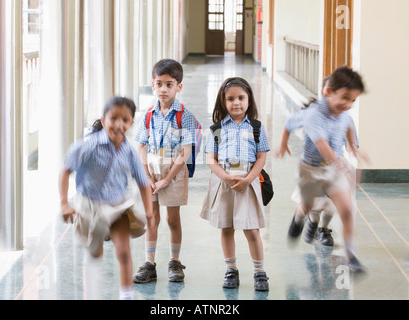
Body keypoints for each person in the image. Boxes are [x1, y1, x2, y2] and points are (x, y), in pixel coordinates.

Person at [58, 96, 153, 300]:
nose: (119, 124)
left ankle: (126, 296)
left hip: (118, 205)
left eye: (125, 120)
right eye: (114, 118)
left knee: (124, 252)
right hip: (89, 205)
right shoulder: (88, 146)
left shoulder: (129, 151)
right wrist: (64, 203)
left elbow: (144, 183)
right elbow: (65, 171)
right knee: (95, 255)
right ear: (104, 120)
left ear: (131, 123)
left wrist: (150, 212)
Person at [280, 66, 366, 272]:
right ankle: (299, 217)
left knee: (346, 210)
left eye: (353, 100)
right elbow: (317, 142)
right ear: (329, 92)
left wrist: (353, 147)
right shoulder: (313, 115)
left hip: (333, 170)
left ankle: (351, 255)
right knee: (308, 206)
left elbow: (349, 126)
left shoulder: (344, 114)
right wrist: (283, 144)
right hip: (311, 169)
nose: (349, 104)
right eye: (345, 98)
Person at [200, 77, 270, 291]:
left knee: (252, 229)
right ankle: (231, 269)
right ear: (223, 101)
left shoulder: (257, 127)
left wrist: (248, 179)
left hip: (248, 182)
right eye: (230, 99)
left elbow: (261, 158)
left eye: (241, 98)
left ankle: (260, 272)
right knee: (227, 227)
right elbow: (211, 159)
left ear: (249, 100)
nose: (236, 103)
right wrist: (226, 177)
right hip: (225, 182)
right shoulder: (216, 129)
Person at [133, 59, 198, 283]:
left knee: (172, 219)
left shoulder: (185, 116)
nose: (163, 89)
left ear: (179, 86)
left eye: (169, 84)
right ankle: (149, 263)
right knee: (152, 219)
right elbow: (141, 146)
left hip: (174, 171)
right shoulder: (149, 114)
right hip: (150, 170)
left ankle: (175, 261)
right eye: (159, 84)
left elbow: (185, 151)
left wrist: (167, 180)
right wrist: (148, 177)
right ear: (153, 85)